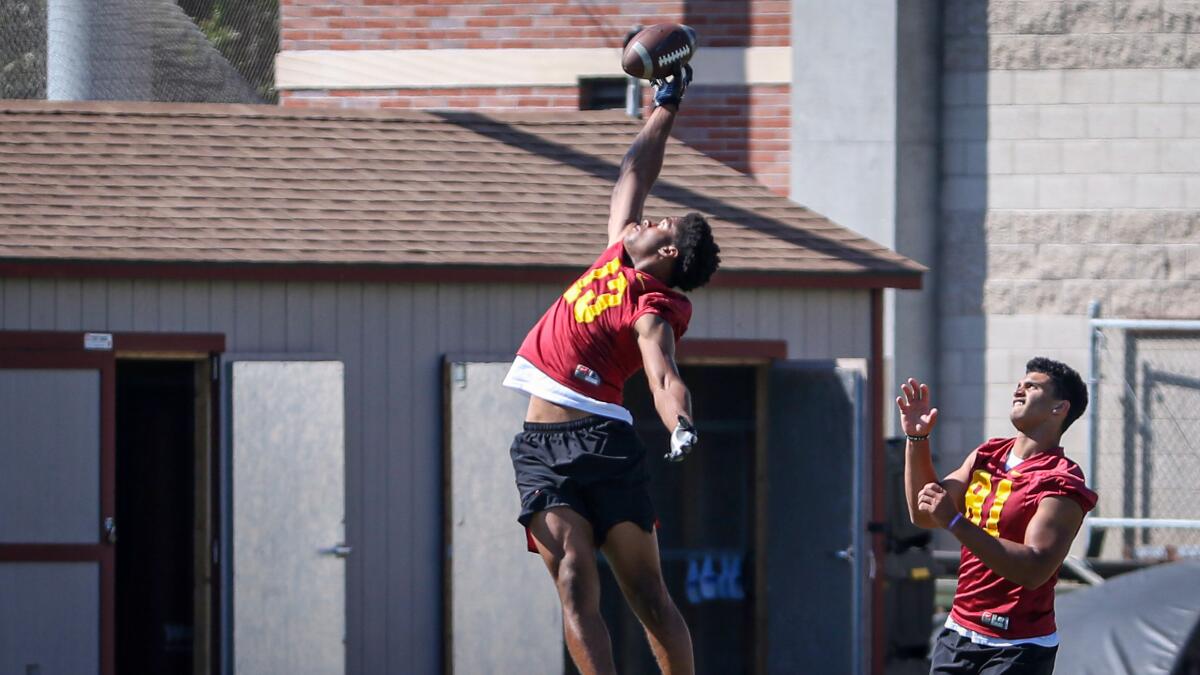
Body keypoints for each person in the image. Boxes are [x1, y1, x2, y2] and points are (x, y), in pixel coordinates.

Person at [501, 64, 719, 675]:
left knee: (648, 596)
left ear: (670, 253)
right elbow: (634, 171)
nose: (648, 220)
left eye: (661, 224)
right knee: (572, 576)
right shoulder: (616, 252)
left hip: (604, 444)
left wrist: (681, 423)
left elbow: (662, 372)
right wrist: (665, 104)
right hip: (542, 445)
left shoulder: (653, 304)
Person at [897, 358, 1098, 674]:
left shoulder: (1061, 480)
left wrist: (955, 521)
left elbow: (1034, 569)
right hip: (959, 633)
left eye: (1033, 385)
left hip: (1019, 646)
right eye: (1021, 382)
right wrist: (917, 439)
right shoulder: (987, 455)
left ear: (1059, 408)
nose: (1020, 387)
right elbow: (924, 514)